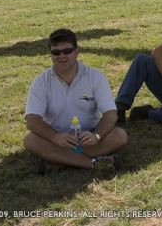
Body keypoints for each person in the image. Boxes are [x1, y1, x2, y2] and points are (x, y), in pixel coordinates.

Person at [23, 29, 128, 173]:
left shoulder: (95, 77)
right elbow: (32, 120)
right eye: (56, 52)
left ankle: (57, 161)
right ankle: (91, 163)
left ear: (77, 52)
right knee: (30, 141)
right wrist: (55, 137)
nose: (62, 56)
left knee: (120, 136)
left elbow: (111, 114)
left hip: (89, 138)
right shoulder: (41, 81)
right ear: (51, 54)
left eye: (67, 51)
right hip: (57, 139)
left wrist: (96, 135)